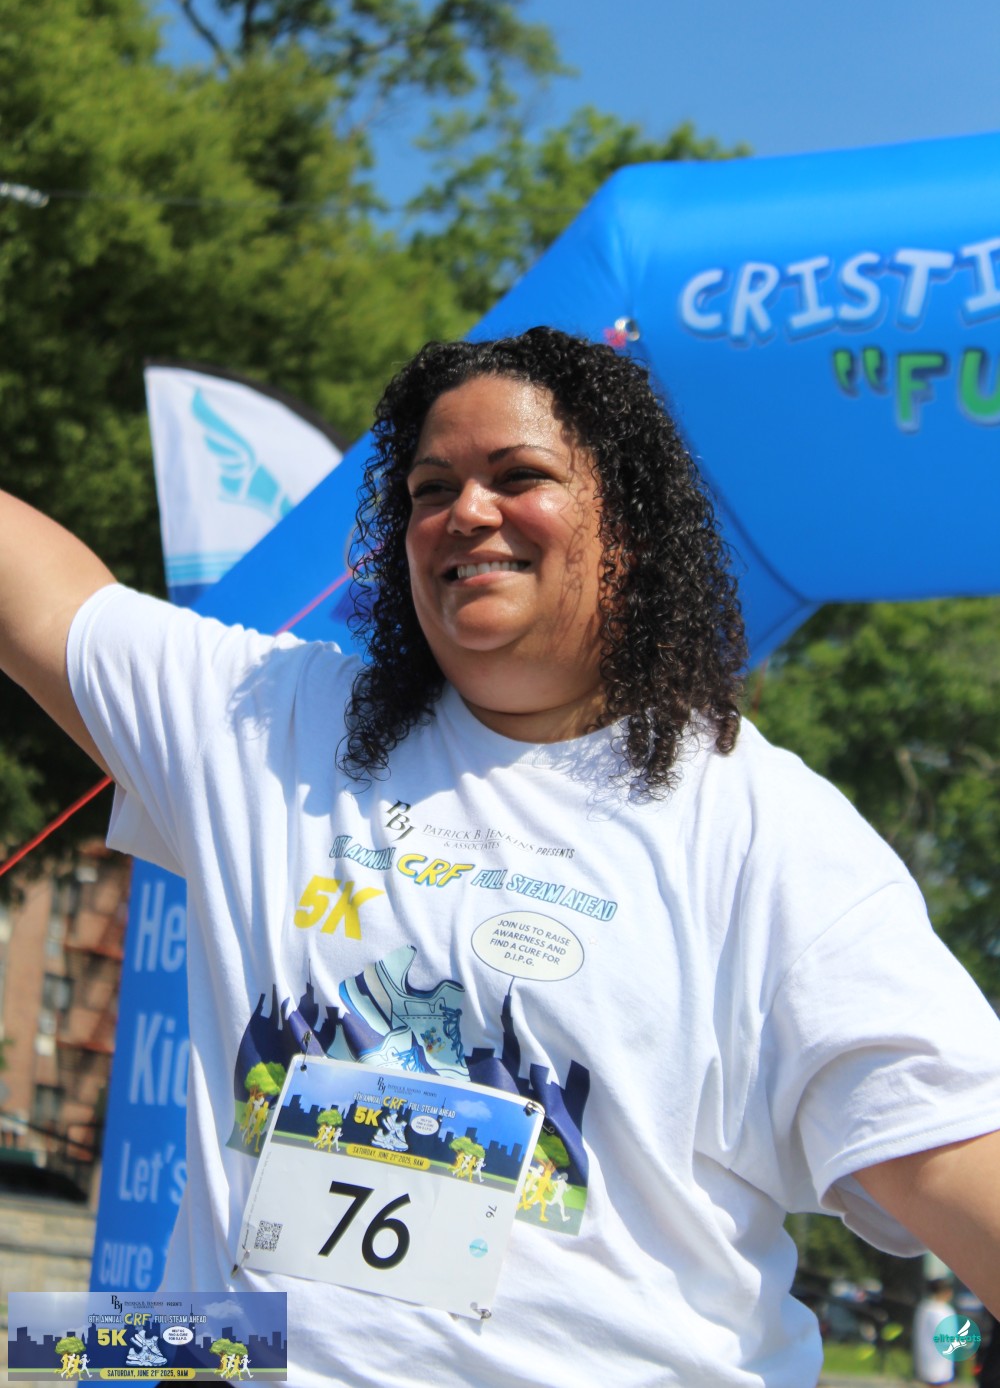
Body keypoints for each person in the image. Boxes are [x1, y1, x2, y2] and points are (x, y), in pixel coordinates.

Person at [2, 327, 1000, 1388]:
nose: (467, 512)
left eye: (519, 477)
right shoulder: (271, 724)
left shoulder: (765, 833)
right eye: (431, 490)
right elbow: (40, 596)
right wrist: (76, 1349)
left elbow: (953, 1156)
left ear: (630, 528)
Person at [912, 1278, 955, 1385]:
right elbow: (945, 1336)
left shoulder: (924, 1307)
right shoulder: (940, 1310)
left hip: (927, 1356)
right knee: (938, 1381)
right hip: (938, 1358)